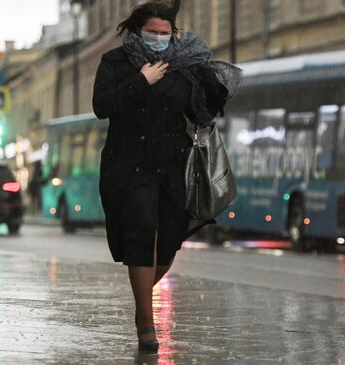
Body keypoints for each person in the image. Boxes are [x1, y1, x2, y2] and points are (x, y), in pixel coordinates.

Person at [92, 0, 238, 352]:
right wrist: (141, 81)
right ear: (136, 31)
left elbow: (201, 112)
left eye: (165, 33)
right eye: (152, 33)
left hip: (173, 167)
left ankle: (141, 298)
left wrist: (212, 86)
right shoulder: (115, 63)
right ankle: (146, 321)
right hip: (130, 166)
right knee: (142, 232)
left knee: (170, 242)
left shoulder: (182, 65)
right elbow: (102, 106)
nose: (159, 38)